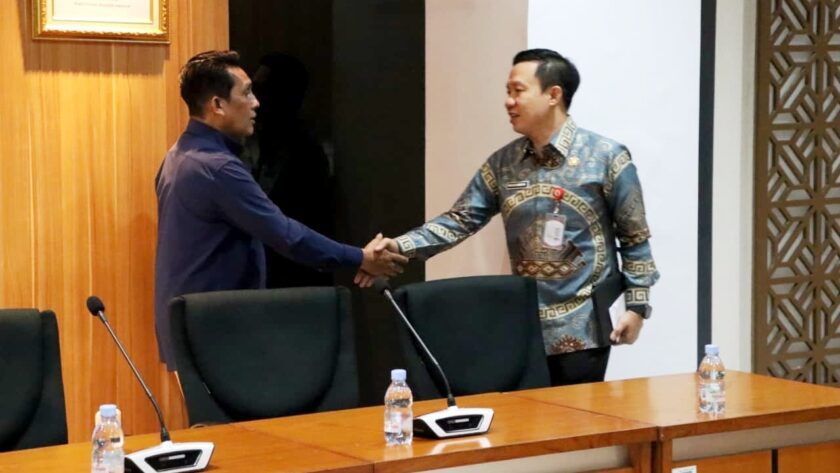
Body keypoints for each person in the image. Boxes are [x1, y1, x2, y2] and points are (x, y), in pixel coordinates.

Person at [359, 49, 659, 385]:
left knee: (577, 417)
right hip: (521, 327)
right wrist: (399, 246)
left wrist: (637, 307)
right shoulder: (503, 164)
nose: (508, 101)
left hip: (585, 328)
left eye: (518, 91)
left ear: (553, 95)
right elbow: (459, 220)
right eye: (507, 91)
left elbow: (635, 237)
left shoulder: (606, 157)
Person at [155, 50, 406, 371]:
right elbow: (287, 235)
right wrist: (361, 258)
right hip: (215, 332)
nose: (256, 103)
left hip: (192, 324)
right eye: (247, 93)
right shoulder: (217, 167)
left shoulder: (178, 155)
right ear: (217, 105)